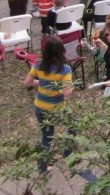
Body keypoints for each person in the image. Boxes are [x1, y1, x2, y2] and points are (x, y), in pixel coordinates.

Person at [22, 36, 75, 174]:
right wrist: (71, 88)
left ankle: (42, 168)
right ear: (61, 51)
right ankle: (68, 154)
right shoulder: (65, 69)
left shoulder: (39, 64)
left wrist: (41, 83)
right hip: (56, 108)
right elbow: (66, 92)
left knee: (46, 136)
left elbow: (27, 82)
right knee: (74, 125)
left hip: (39, 107)